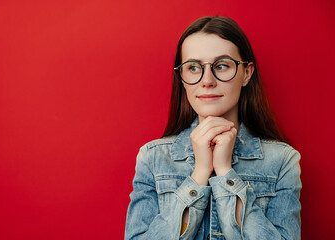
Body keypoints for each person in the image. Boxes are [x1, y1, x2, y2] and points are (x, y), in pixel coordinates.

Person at [125, 16, 301, 240]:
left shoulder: (283, 161)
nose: (207, 80)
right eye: (194, 67)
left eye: (222, 65)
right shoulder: (152, 158)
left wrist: (225, 172)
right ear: (182, 77)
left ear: (246, 73)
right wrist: (199, 175)